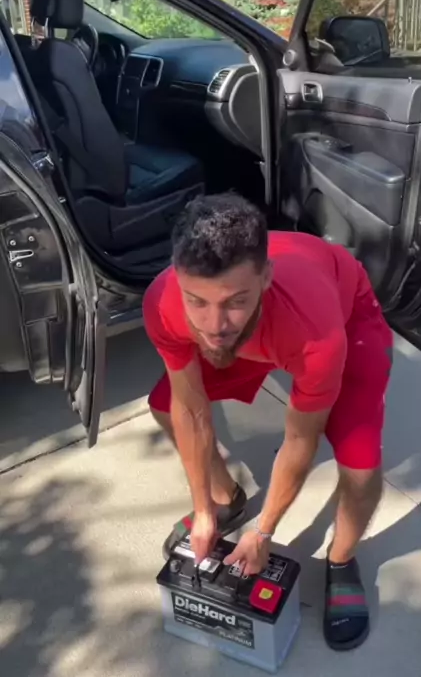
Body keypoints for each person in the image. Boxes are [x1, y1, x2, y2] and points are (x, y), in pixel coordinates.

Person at [143, 192, 393, 652]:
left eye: (234, 301)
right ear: (177, 279)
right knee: (164, 405)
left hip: (342, 316)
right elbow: (191, 409)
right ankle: (225, 500)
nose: (214, 323)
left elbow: (301, 438)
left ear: (266, 278)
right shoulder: (164, 304)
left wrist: (264, 533)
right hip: (265, 333)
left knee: (360, 471)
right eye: (197, 301)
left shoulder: (315, 330)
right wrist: (201, 510)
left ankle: (342, 561)